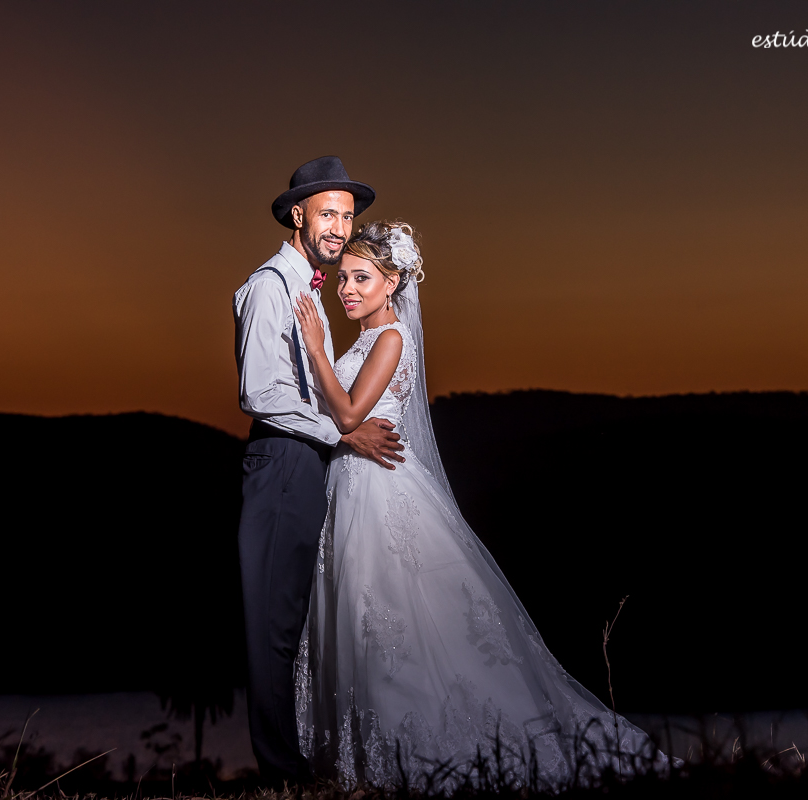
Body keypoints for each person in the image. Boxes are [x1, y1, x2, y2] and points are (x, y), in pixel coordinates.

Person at [291, 221, 663, 791]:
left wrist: (315, 348)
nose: (348, 289)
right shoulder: (365, 339)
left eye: (362, 278)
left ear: (391, 283)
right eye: (344, 278)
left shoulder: (390, 339)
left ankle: (426, 753)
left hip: (381, 490)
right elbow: (343, 417)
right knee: (366, 621)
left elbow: (346, 417)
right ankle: (371, 760)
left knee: (395, 619)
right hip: (351, 487)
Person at [232, 156, 406, 784]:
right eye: (329, 214)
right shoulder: (269, 287)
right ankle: (282, 773)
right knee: (274, 628)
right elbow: (261, 393)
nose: (339, 227)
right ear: (298, 214)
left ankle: (303, 760)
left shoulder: (308, 289)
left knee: (296, 622)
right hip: (280, 463)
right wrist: (345, 431)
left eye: (348, 216)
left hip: (306, 466)